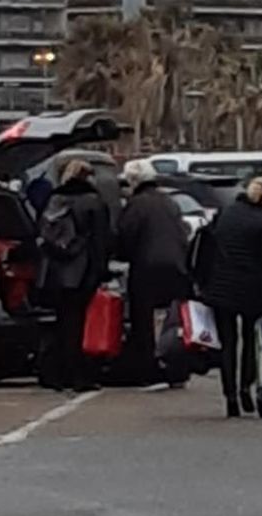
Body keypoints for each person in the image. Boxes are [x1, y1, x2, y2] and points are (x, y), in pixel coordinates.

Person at [198, 176, 262, 417]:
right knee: (251, 340)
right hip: (251, 288)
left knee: (227, 343)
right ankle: (245, 388)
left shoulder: (226, 214)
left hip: (220, 286)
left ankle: (229, 395)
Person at [40, 157, 114, 393]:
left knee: (62, 321)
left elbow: (42, 234)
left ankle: (55, 373)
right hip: (83, 270)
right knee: (79, 323)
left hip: (57, 270)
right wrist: (102, 270)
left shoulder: (54, 199)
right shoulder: (92, 202)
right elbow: (102, 240)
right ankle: (79, 374)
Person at [115, 159, 191, 386]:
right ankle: (176, 367)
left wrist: (117, 255)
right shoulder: (169, 202)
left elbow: (126, 236)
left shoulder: (136, 205)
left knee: (143, 320)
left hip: (147, 268)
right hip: (176, 267)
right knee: (172, 321)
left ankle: (149, 369)